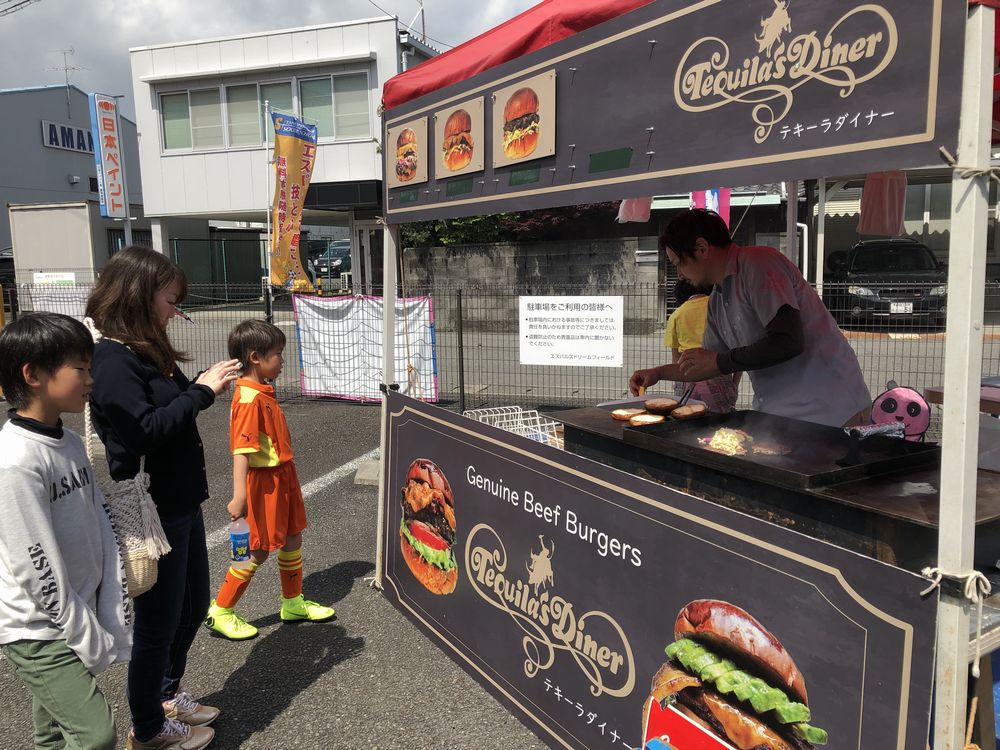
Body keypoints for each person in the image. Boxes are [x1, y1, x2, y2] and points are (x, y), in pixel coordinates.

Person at [86, 246, 240, 750]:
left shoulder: (145, 349)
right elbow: (143, 431)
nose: (176, 311)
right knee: (158, 622)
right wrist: (202, 392)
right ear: (139, 294)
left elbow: (175, 403)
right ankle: (149, 727)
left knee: (192, 607)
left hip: (180, 501)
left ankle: (167, 694)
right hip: (153, 508)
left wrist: (200, 387)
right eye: (171, 300)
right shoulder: (112, 359)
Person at [0, 313, 132, 750]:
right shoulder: (16, 461)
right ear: (33, 375)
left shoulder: (69, 443)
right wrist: (83, 633)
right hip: (38, 626)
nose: (91, 379)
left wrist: (108, 601)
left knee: (54, 733)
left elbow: (98, 522)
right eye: (80, 368)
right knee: (96, 735)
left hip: (71, 611)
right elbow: (33, 562)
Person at [631, 209, 871, 428]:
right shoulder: (717, 300)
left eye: (679, 263)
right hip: (782, 415)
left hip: (831, 411)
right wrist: (657, 373)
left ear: (701, 248)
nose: (680, 275)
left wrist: (719, 361)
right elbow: (706, 365)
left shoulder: (759, 263)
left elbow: (788, 340)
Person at [205, 320, 334, 641]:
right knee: (258, 549)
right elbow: (242, 451)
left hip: (283, 475)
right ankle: (221, 610)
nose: (282, 360)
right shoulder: (248, 399)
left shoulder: (261, 389)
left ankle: (292, 602)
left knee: (292, 538)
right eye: (277, 354)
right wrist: (239, 495)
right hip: (264, 483)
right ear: (255, 357)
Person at [664, 278, 739, 413]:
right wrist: (734, 383)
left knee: (686, 419)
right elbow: (737, 350)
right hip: (717, 374)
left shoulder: (676, 314)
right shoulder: (720, 308)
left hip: (687, 379)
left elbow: (676, 361)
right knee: (721, 421)